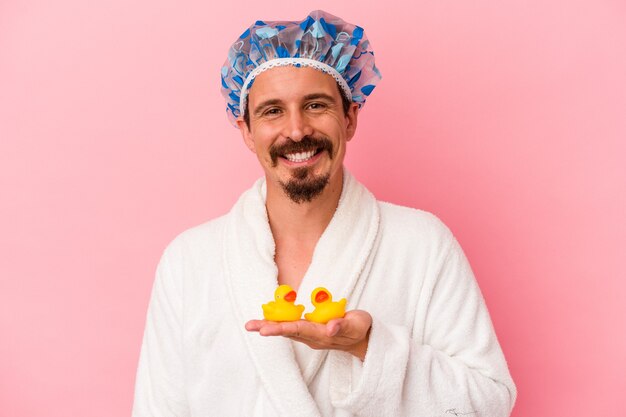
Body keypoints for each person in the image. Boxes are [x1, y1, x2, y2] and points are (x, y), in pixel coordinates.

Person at [132, 10, 516, 417]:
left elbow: (489, 401)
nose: (296, 130)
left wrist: (367, 347)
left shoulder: (422, 244)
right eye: (272, 111)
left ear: (349, 118)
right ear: (246, 130)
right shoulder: (189, 261)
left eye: (315, 105)